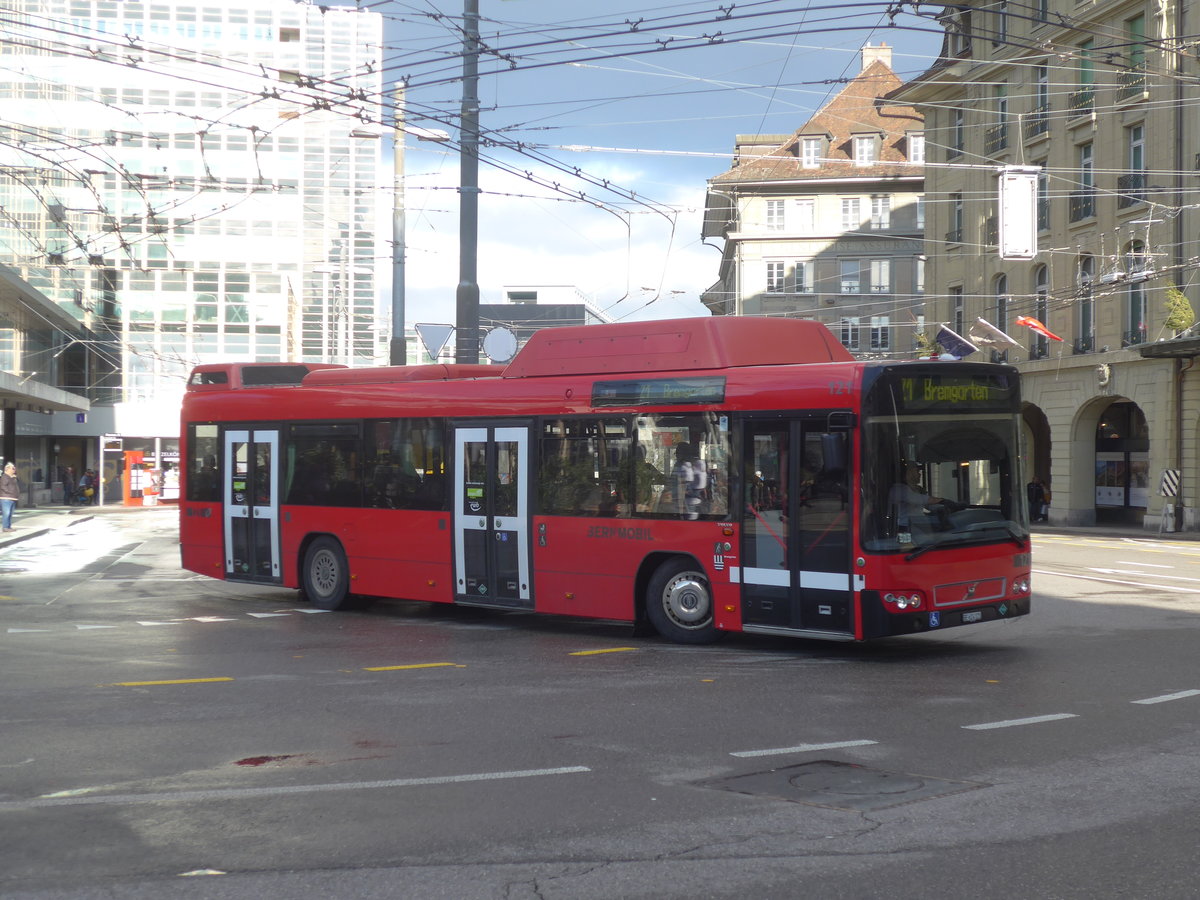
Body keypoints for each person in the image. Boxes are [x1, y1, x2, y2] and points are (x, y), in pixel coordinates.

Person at [672, 442, 707, 520]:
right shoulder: (696, 464)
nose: (676, 454)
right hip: (692, 502)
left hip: (688, 503)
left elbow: (682, 488)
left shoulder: (685, 467)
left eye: (677, 452)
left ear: (683, 453)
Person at [0, 462, 19, 532]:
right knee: (6, 513)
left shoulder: (12, 478)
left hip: (12, 498)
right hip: (6, 498)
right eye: (13, 468)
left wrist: (14, 478)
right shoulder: (5, 477)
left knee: (10, 514)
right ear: (7, 469)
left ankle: (8, 526)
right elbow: (3, 487)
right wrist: (10, 493)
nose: (14, 470)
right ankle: (5, 527)